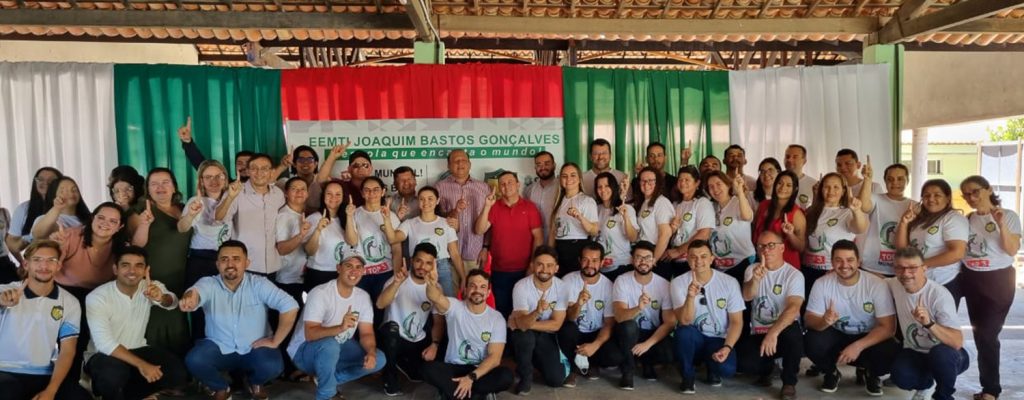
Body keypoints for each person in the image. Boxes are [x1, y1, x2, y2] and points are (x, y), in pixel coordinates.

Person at [180, 241, 299, 400]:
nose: (230, 264)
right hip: (219, 347)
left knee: (273, 366)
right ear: (217, 264)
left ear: (246, 263)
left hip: (254, 348)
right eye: (224, 259)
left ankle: (254, 383)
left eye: (236, 259)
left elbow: (290, 306)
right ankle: (221, 387)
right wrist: (189, 298)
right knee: (194, 360)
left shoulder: (259, 284)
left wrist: (276, 341)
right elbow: (195, 292)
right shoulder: (209, 283)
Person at [85, 246, 188, 400]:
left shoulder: (150, 286)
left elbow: (172, 302)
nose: (132, 271)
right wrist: (142, 365)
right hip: (103, 355)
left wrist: (161, 298)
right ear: (115, 269)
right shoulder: (98, 297)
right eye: (125, 265)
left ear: (146, 270)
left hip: (138, 347)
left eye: (139, 265)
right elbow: (104, 344)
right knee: (113, 375)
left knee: (176, 372)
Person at [803, 240, 899, 396]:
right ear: (832, 262)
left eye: (850, 260)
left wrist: (858, 346)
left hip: (868, 337)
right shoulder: (821, 283)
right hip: (837, 334)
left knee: (891, 349)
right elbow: (809, 319)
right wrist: (823, 322)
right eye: (838, 260)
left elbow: (888, 328)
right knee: (811, 340)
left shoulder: (877, 284)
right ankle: (831, 372)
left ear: (859, 261)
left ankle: (871, 373)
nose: (844, 265)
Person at [286, 252, 385, 400]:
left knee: (379, 359)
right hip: (304, 352)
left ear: (363, 271)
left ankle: (327, 381)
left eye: (358, 267)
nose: (354, 271)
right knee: (330, 344)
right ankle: (326, 395)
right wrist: (340, 328)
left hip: (338, 346)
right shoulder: (320, 293)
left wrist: (370, 353)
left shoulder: (363, 296)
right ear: (339, 268)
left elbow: (366, 333)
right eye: (349, 266)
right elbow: (310, 334)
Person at [0, 240, 91, 400]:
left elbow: (67, 350)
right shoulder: (4, 291)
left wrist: (51, 390)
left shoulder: (69, 302)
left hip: (44, 373)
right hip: (5, 371)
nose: (44, 266)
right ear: (26, 264)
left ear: (58, 265)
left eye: (51, 260)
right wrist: (1, 302)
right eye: (37, 260)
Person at [48, 202, 127, 384]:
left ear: (120, 226)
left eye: (113, 221)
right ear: (92, 218)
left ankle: (95, 378)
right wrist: (58, 247)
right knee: (73, 339)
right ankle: (67, 383)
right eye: (101, 218)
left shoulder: (121, 246)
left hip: (99, 295)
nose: (105, 223)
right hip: (66, 292)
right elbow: (53, 266)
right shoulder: (70, 235)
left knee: (105, 335)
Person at [959, 175, 1021, 400]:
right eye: (966, 194)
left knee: (987, 335)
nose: (971, 197)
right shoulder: (968, 219)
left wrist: (1001, 224)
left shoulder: (1009, 216)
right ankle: (987, 386)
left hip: (998, 281)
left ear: (988, 190)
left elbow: (1012, 249)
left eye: (975, 191)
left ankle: (991, 390)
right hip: (971, 278)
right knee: (980, 334)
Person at [888, 247, 969, 400]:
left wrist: (929, 323)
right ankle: (926, 384)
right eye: (900, 268)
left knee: (941, 355)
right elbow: (871, 280)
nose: (906, 273)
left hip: (950, 354)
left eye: (912, 268)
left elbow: (956, 342)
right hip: (915, 351)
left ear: (924, 268)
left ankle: (943, 396)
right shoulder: (894, 284)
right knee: (900, 376)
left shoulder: (939, 295)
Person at [128, 168, 192, 358]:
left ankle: (177, 370)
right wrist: (145, 224)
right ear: (148, 189)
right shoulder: (139, 211)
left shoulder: (184, 209)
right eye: (154, 184)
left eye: (165, 182)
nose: (160, 187)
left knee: (177, 323)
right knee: (153, 326)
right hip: (153, 277)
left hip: (179, 276)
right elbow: (136, 246)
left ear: (174, 187)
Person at [422, 269, 515, 400]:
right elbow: (435, 297)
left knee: (506, 376)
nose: (477, 290)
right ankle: (475, 395)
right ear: (465, 289)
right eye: (473, 285)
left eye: (482, 287)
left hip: (479, 371)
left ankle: (456, 393)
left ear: (488, 292)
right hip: (454, 367)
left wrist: (470, 378)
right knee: (427, 369)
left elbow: (495, 358)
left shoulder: (496, 318)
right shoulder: (454, 306)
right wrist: (431, 284)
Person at [738, 231, 804, 400]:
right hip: (759, 331)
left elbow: (793, 308)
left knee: (794, 335)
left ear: (782, 248)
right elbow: (747, 296)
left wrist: (773, 333)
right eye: (761, 246)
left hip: (783, 331)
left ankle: (789, 383)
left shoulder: (793, 274)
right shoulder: (752, 269)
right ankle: (768, 369)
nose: (765, 250)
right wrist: (755, 280)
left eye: (771, 245)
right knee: (743, 363)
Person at [671, 239, 743, 394]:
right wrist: (690, 297)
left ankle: (712, 369)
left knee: (727, 369)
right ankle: (687, 376)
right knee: (683, 333)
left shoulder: (730, 282)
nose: (698, 261)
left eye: (703, 256)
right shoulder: (678, 282)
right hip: (695, 338)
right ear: (687, 259)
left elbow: (736, 322)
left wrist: (727, 347)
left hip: (718, 339)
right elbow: (684, 321)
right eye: (693, 257)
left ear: (712, 259)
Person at [376, 243, 444, 396]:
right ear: (412, 260)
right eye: (419, 261)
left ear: (434, 265)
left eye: (428, 263)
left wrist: (434, 345)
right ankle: (390, 379)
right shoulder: (397, 279)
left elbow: (439, 322)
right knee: (391, 330)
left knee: (420, 375)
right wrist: (396, 284)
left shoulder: (436, 287)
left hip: (416, 339)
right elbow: (380, 304)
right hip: (393, 337)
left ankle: (402, 362)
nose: (422, 267)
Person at [178, 160, 235, 339]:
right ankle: (200, 348)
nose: (214, 181)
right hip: (200, 260)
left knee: (225, 309)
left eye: (218, 176)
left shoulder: (233, 198)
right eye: (208, 177)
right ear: (201, 181)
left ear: (225, 178)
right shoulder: (196, 201)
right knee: (200, 310)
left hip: (225, 260)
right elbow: (182, 227)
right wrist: (191, 215)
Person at [475, 171, 543, 317]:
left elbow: (538, 238)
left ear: (518, 184)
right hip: (500, 271)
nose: (507, 186)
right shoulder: (494, 207)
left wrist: (533, 265)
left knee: (524, 311)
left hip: (525, 270)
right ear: (499, 188)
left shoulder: (530, 208)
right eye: (503, 184)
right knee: (503, 311)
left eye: (510, 182)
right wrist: (487, 206)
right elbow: (479, 230)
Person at [557, 241, 623, 385]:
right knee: (567, 329)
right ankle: (572, 369)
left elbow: (609, 323)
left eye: (594, 260)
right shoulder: (567, 281)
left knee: (614, 356)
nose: (589, 265)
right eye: (585, 260)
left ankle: (592, 363)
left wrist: (595, 345)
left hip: (595, 333)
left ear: (602, 262)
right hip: (574, 333)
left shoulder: (609, 286)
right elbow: (568, 318)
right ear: (579, 260)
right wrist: (579, 304)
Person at [612, 241, 676, 390]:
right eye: (639, 257)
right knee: (628, 326)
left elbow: (670, 322)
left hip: (651, 334)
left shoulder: (664, 284)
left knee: (670, 353)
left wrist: (647, 344)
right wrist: (638, 308)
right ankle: (628, 371)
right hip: (629, 333)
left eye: (647, 258)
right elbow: (619, 317)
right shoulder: (622, 281)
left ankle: (648, 363)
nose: (643, 262)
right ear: (632, 260)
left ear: (654, 260)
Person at [509, 246, 570, 394]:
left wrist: (520, 322)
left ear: (556, 268)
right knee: (523, 336)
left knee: (556, 380)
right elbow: (522, 327)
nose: (544, 269)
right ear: (532, 265)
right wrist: (536, 312)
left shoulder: (562, 287)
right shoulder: (521, 286)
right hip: (526, 335)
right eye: (540, 264)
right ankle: (525, 377)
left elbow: (556, 325)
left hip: (547, 335)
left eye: (549, 265)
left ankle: (532, 362)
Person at [895, 179, 968, 303]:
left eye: (937, 195)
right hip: (918, 281)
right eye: (926, 195)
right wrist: (904, 223)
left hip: (943, 281)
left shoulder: (953, 218)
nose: (931, 199)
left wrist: (921, 265)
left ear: (948, 198)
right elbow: (903, 250)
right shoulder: (920, 220)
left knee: (939, 316)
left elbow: (957, 253)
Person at [215, 154, 287, 278]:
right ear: (248, 171)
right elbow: (218, 218)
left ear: (271, 172)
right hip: (245, 265)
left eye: (264, 168)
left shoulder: (278, 194)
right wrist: (230, 197)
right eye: (254, 168)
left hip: (272, 265)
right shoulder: (236, 191)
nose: (259, 173)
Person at [802, 172, 868, 291]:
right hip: (808, 270)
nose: (831, 191)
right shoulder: (810, 211)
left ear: (843, 191)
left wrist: (857, 211)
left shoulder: (847, 212)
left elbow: (860, 228)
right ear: (821, 189)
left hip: (833, 271)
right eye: (827, 187)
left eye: (836, 187)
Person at [394, 187, 465, 297]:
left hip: (441, 267)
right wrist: (394, 218)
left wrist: (463, 277)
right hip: (418, 267)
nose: (426, 202)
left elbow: (454, 254)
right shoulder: (409, 223)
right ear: (418, 201)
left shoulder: (447, 223)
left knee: (445, 302)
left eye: (430, 199)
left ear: (437, 200)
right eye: (422, 199)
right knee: (418, 301)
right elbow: (393, 238)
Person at [345, 177, 402, 304]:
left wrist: (396, 276)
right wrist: (349, 216)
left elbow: (396, 249)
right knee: (360, 309)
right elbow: (351, 242)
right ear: (362, 193)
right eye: (367, 190)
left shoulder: (391, 216)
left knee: (381, 309)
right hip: (361, 273)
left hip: (385, 272)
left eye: (376, 189)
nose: (371, 193)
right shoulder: (355, 214)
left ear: (383, 192)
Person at [437, 149, 491, 271]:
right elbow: (436, 219)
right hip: (448, 254)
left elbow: (490, 220)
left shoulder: (484, 188)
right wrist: (455, 211)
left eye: (463, 160)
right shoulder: (439, 187)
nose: (460, 163)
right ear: (448, 165)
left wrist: (485, 247)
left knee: (474, 283)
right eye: (456, 161)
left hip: (476, 253)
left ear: (470, 164)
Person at [860, 164, 914, 277]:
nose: (895, 183)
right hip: (872, 266)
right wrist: (867, 180)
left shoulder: (914, 206)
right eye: (890, 179)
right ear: (885, 181)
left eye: (900, 179)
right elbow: (864, 206)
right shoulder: (876, 198)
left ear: (907, 181)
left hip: (901, 268)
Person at [549, 163, 599, 277]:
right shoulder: (558, 201)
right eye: (564, 176)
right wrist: (550, 254)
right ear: (560, 179)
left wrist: (580, 217)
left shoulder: (586, 201)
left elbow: (594, 231)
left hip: (578, 249)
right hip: (559, 249)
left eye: (573, 175)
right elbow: (553, 231)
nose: (568, 179)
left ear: (579, 179)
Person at [705, 171, 756, 283]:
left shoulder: (738, 202)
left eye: (719, 184)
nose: (715, 189)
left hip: (742, 263)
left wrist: (740, 192)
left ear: (728, 185)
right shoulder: (711, 207)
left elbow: (747, 216)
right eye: (711, 186)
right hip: (720, 267)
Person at [662, 166, 714, 276]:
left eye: (687, 180)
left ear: (697, 183)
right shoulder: (676, 204)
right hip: (675, 260)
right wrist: (672, 229)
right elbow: (670, 232)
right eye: (680, 179)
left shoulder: (702, 203)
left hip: (694, 261)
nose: (682, 183)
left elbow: (704, 234)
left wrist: (679, 251)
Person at [752, 171, 806, 269]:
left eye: (788, 185)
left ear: (795, 189)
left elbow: (801, 247)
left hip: (786, 267)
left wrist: (790, 234)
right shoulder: (763, 205)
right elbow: (754, 231)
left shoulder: (797, 214)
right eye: (780, 183)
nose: (783, 187)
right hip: (762, 263)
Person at [304, 181, 349, 292]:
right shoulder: (314, 219)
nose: (333, 197)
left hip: (342, 273)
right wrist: (318, 230)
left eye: (338, 194)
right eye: (329, 193)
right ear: (323, 196)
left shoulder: (347, 219)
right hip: (319, 274)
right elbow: (309, 251)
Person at [593, 172, 638, 282]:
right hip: (601, 269)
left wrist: (625, 217)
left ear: (613, 187)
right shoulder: (595, 209)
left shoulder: (626, 208)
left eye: (607, 186)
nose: (603, 190)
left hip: (621, 267)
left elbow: (633, 237)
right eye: (599, 187)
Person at [275, 177, 312, 304]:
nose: (299, 192)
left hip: (301, 276)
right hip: (287, 279)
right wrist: (300, 236)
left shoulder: (304, 214)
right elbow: (281, 249)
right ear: (286, 193)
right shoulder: (283, 216)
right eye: (294, 189)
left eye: (303, 189)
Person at [633, 167, 674, 279]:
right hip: (644, 254)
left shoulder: (661, 202)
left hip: (656, 255)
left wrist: (654, 259)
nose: (646, 184)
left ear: (658, 183)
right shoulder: (644, 202)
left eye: (651, 181)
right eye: (643, 181)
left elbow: (665, 234)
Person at [11, 167, 62, 243]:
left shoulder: (68, 206)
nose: (45, 183)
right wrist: (30, 238)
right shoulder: (23, 208)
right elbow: (12, 243)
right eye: (40, 179)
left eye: (51, 180)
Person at [30, 177, 90, 242]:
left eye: (74, 190)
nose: (71, 193)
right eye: (63, 191)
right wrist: (57, 208)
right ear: (53, 195)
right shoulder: (44, 219)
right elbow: (38, 234)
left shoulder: (91, 219)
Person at [525, 151, 558, 242]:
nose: (543, 167)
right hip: (535, 240)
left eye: (547, 163)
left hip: (557, 240)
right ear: (535, 167)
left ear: (554, 165)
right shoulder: (529, 190)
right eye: (539, 165)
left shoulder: (561, 187)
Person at [783, 144, 817, 209]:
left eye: (795, 157)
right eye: (787, 156)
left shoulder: (814, 185)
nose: (789, 160)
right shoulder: (776, 182)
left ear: (804, 161)